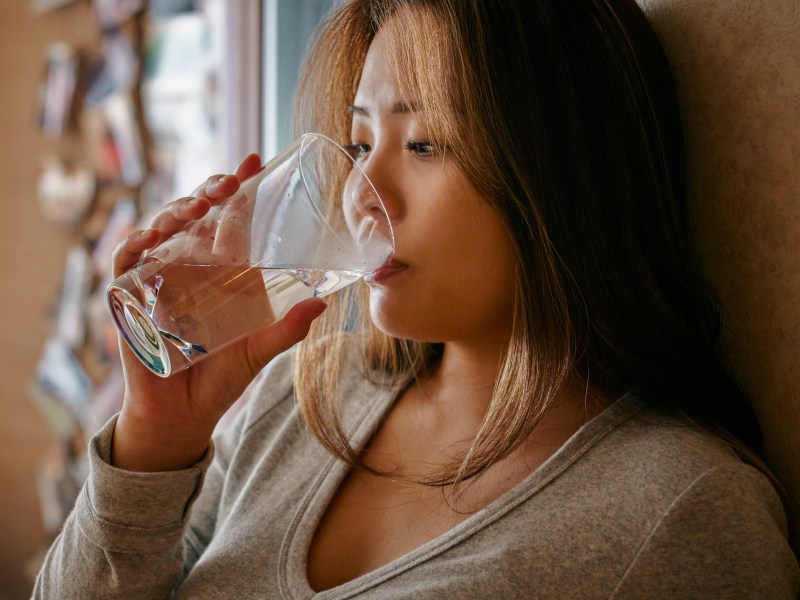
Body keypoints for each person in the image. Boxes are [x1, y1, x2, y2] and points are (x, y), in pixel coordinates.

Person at [34, 0, 799, 597]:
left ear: (564, 172)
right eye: (362, 144)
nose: (362, 196)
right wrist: (153, 442)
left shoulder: (682, 513)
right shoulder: (305, 397)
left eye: (426, 145)